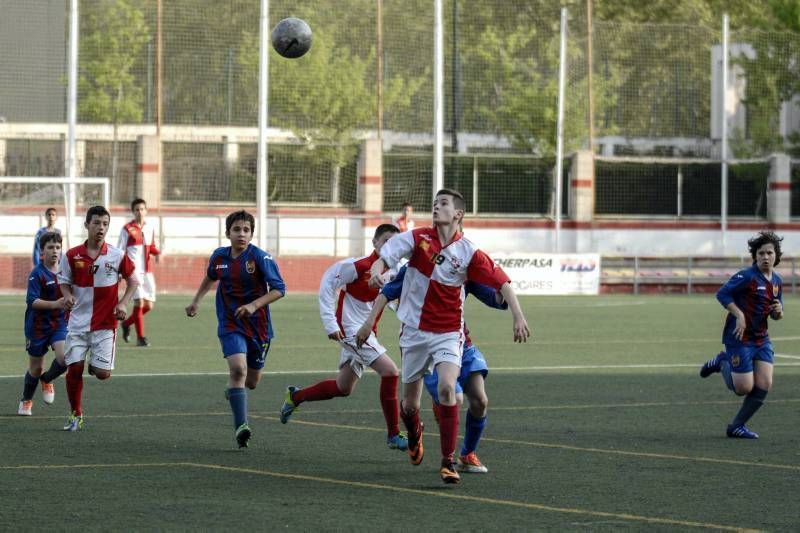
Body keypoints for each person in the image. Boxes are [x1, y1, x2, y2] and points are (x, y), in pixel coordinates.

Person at [364, 188, 530, 484]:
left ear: (458, 214)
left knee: (447, 390)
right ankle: (415, 433)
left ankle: (449, 462)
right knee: (410, 406)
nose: (436, 208)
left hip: (448, 333)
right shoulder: (417, 238)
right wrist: (377, 270)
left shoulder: (468, 252)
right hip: (413, 332)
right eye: (434, 204)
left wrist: (517, 314)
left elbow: (502, 281)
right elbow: (384, 257)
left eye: (443, 204)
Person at [359, 263, 508, 473]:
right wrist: (368, 324)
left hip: (460, 343)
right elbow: (387, 292)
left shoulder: (463, 265)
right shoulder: (416, 265)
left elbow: (494, 298)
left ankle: (466, 455)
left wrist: (503, 287)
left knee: (480, 400)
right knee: (421, 403)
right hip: (424, 345)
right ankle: (418, 432)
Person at [279, 224, 408, 451]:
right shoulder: (358, 266)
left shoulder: (396, 271)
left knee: (343, 387)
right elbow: (329, 283)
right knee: (390, 372)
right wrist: (330, 323)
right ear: (374, 243)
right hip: (349, 330)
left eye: (395, 243)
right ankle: (393, 434)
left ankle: (296, 396)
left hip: (367, 333)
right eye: (385, 241)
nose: (390, 247)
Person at [185, 210, 286, 449]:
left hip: (259, 327)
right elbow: (210, 277)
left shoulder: (260, 258)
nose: (241, 234)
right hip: (230, 323)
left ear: (252, 234)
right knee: (238, 370)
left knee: (251, 382)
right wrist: (197, 300)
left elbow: (279, 289)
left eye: (246, 230)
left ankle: (234, 391)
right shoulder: (219, 257)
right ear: (227, 232)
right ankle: (242, 426)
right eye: (237, 230)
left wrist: (253, 305)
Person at [58, 205, 138, 431]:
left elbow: (133, 280)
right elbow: (63, 280)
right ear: (87, 225)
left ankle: (95, 366)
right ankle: (76, 414)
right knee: (73, 370)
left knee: (103, 374)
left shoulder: (116, 255)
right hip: (77, 323)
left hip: (105, 325)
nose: (101, 228)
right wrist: (67, 295)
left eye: (105, 224)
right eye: (96, 223)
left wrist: (123, 303)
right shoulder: (72, 255)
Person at [699, 231, 784, 439]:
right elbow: (722, 293)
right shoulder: (746, 276)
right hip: (739, 337)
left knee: (764, 384)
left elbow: (775, 312)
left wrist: (778, 312)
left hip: (761, 338)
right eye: (761, 253)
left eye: (769, 253)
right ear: (755, 256)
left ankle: (736, 426)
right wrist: (739, 314)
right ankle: (722, 361)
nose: (765, 257)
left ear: (776, 256)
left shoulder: (777, 281)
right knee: (743, 388)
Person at [18, 232, 69, 416]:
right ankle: (26, 399)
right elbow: (32, 301)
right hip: (37, 327)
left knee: (65, 359)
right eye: (50, 247)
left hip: (59, 324)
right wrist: (56, 304)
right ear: (42, 251)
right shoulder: (36, 274)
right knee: (36, 368)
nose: (55, 251)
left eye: (57, 247)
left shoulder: (66, 271)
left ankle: (47, 379)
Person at [118, 198, 161, 347]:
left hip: (147, 272)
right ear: (133, 212)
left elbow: (152, 247)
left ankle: (126, 324)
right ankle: (141, 338)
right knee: (139, 302)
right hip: (133, 272)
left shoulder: (150, 228)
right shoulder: (127, 229)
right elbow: (120, 250)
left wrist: (158, 253)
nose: (140, 212)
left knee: (149, 305)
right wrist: (119, 271)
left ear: (146, 211)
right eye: (137, 209)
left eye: (142, 209)